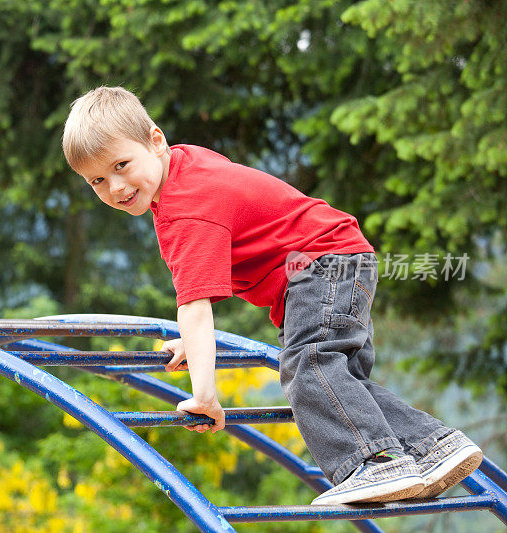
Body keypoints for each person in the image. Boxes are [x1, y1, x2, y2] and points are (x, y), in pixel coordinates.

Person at [60, 86, 483, 505]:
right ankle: (433, 445)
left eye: (121, 165)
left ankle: (371, 463)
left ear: (155, 141)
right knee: (339, 378)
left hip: (318, 265)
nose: (115, 187)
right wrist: (194, 343)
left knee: (308, 363)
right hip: (339, 258)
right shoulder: (186, 165)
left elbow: (194, 305)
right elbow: (213, 272)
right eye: (97, 180)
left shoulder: (183, 209)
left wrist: (204, 395)